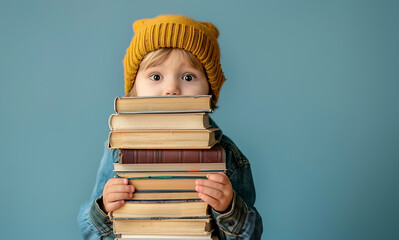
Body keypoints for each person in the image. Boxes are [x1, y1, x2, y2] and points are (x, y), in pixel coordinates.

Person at [77, 15, 263, 240]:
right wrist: (104, 207)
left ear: (209, 93)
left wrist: (229, 208)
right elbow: (87, 230)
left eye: (188, 76)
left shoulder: (226, 155)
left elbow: (252, 234)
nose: (171, 88)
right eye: (156, 76)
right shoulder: (119, 150)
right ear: (134, 91)